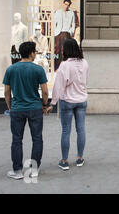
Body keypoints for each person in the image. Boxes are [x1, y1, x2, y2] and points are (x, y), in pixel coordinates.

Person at [3, 41, 49, 180]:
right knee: (37, 138)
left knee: (16, 140)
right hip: (35, 108)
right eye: (35, 51)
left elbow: (6, 92)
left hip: (17, 108)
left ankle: (17, 171)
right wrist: (44, 105)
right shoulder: (38, 69)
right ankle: (34, 170)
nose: (36, 54)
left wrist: (10, 107)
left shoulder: (11, 69)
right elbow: (45, 91)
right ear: (31, 53)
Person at [50, 38, 89, 171]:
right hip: (82, 100)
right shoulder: (84, 63)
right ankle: (79, 158)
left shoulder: (65, 65)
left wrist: (53, 102)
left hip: (67, 101)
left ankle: (64, 160)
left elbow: (59, 86)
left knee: (66, 131)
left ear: (65, 50)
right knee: (81, 129)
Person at [54, 0, 75, 71]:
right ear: (63, 4)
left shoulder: (71, 13)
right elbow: (54, 22)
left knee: (66, 50)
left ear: (69, 6)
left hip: (67, 33)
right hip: (59, 33)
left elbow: (73, 23)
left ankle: (65, 68)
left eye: (68, 5)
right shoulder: (58, 12)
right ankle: (57, 67)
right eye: (65, 4)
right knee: (57, 50)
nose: (66, 6)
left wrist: (71, 31)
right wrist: (54, 32)